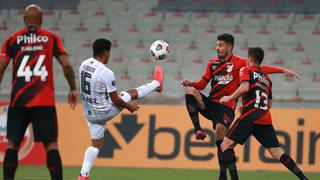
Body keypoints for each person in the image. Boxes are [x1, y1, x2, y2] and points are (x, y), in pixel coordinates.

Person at [181, 33, 299, 180]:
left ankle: (223, 175)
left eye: (220, 45)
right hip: (212, 103)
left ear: (229, 47)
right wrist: (191, 83)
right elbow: (202, 84)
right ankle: (197, 129)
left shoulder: (241, 63)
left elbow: (259, 68)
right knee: (190, 91)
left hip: (226, 106)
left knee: (221, 136)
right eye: (217, 45)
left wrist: (282, 70)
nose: (217, 48)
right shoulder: (212, 63)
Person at [0, 4, 78, 180]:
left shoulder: (12, 39)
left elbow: (1, 68)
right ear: (41, 20)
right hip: (43, 100)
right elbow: (66, 65)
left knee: (13, 144)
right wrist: (73, 88)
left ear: (24, 20)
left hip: (18, 100)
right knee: (51, 145)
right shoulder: (51, 38)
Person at [77, 38, 163, 180]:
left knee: (95, 144)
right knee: (130, 93)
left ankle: (83, 175)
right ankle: (156, 84)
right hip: (104, 111)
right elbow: (115, 99)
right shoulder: (106, 72)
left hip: (89, 112)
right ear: (106, 52)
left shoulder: (83, 64)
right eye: (109, 52)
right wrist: (129, 107)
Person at [219, 47, 308, 180]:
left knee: (225, 145)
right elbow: (269, 104)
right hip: (265, 118)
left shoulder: (246, 69)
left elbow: (244, 87)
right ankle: (304, 178)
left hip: (250, 116)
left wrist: (229, 98)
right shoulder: (267, 79)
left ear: (249, 59)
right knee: (277, 152)